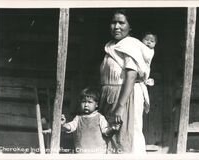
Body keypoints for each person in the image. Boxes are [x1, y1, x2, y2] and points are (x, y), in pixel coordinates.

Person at [99, 9, 154, 154]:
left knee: (128, 134)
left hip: (125, 96)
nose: (116, 26)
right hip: (111, 97)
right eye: (113, 22)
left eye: (121, 23)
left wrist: (120, 106)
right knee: (113, 136)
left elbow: (131, 76)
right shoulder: (112, 45)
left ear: (130, 27)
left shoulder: (130, 45)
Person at [61, 87, 120, 154]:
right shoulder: (78, 118)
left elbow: (106, 131)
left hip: (98, 153)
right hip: (81, 153)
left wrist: (112, 128)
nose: (86, 105)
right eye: (83, 102)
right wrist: (63, 124)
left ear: (96, 104)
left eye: (89, 102)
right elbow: (70, 127)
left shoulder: (100, 117)